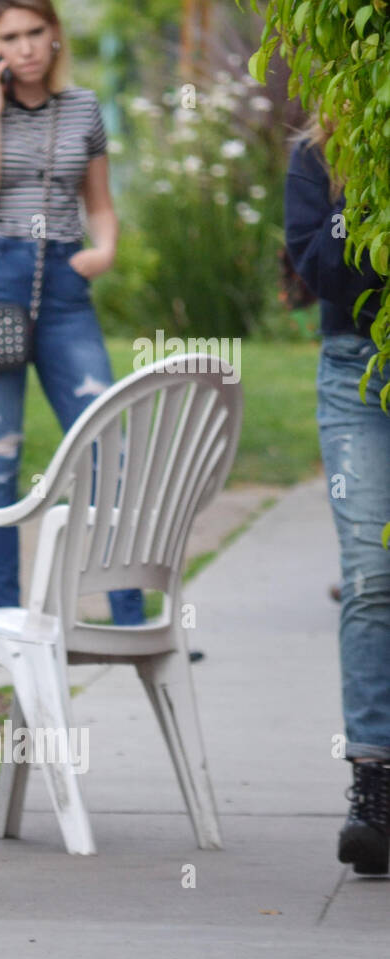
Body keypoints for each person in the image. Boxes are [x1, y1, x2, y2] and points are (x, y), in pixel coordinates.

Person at [0, 0, 144, 624]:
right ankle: (7, 618)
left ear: (55, 35)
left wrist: (105, 250)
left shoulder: (83, 107)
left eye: (35, 32)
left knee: (108, 444)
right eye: (10, 38)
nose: (25, 47)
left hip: (62, 282)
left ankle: (130, 616)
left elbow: (100, 201)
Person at [285, 118, 390, 874]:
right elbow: (324, 271)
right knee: (373, 576)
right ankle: (374, 788)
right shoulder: (316, 156)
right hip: (358, 370)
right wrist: (361, 185)